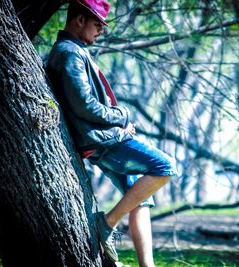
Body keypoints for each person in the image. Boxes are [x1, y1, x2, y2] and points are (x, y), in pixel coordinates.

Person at [45, 0, 177, 266]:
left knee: (141, 201)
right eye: (97, 24)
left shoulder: (73, 50)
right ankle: (106, 223)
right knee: (165, 166)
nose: (101, 31)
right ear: (79, 20)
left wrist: (117, 126)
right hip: (102, 141)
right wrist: (122, 117)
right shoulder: (70, 52)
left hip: (102, 138)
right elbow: (84, 105)